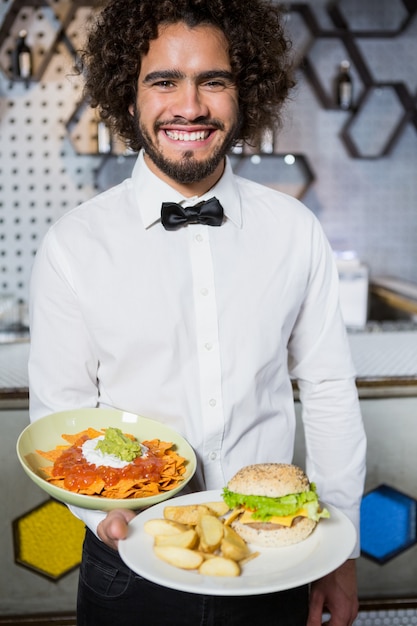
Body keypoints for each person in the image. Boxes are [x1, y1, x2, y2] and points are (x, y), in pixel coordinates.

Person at [28, 0, 366, 624]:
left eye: (214, 80)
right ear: (129, 98)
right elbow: (60, 413)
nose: (190, 106)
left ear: (245, 95)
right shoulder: (73, 245)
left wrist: (338, 556)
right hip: (128, 560)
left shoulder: (295, 231)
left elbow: (327, 393)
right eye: (163, 81)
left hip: (277, 557)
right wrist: (103, 515)